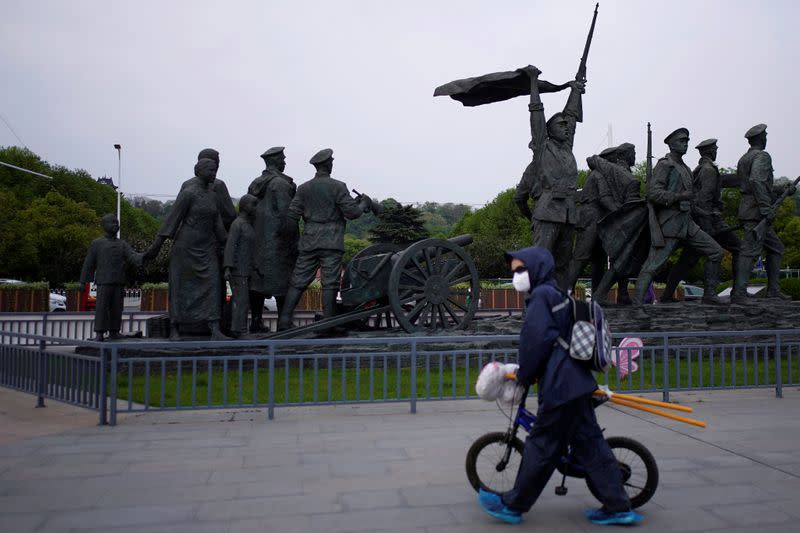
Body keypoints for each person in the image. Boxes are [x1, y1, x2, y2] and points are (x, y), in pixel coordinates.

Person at [477, 246, 641, 526]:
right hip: (578, 384)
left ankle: (513, 505)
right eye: (514, 271)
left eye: (520, 270)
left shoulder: (541, 297)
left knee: (541, 447)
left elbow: (535, 341)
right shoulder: (557, 293)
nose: (516, 276)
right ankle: (618, 507)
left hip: (561, 388)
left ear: (536, 268)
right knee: (592, 447)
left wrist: (524, 375)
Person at [276, 148, 375, 330]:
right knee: (330, 282)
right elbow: (352, 213)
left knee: (298, 281)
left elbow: (292, 216)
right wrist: (363, 203)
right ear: (328, 164)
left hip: (309, 241)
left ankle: (283, 321)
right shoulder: (338, 186)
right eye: (331, 162)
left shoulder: (304, 188)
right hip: (331, 242)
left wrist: (297, 239)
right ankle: (329, 321)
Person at [632, 128, 723, 307]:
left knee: (715, 251)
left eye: (687, 141)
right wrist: (678, 196)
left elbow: (691, 200)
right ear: (671, 144)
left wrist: (707, 214)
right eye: (682, 141)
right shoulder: (665, 165)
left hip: (687, 223)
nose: (686, 144)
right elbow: (653, 193)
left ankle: (710, 294)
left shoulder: (686, 168)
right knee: (653, 265)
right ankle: (637, 304)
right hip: (670, 223)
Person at [513, 66, 585, 290]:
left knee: (563, 265)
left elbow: (571, 115)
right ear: (549, 130)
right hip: (546, 213)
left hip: (567, 215)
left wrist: (576, 90)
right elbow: (536, 111)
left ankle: (560, 303)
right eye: (560, 125)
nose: (566, 128)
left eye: (566, 126)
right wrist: (534, 81)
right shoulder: (542, 146)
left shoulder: (567, 148)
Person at [145, 158, 228, 340]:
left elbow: (219, 226)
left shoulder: (213, 196)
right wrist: (155, 247)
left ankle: (215, 328)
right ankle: (175, 327)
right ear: (199, 171)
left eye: (215, 170)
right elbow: (171, 221)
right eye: (211, 170)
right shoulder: (188, 194)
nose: (214, 173)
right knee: (180, 288)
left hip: (207, 249)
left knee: (214, 283)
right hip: (186, 248)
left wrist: (231, 244)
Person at [661, 138, 742, 302]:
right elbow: (704, 199)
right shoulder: (708, 170)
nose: (716, 150)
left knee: (686, 260)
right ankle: (732, 292)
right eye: (715, 148)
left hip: (700, 220)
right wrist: (708, 225)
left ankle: (667, 295)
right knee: (740, 249)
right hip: (709, 222)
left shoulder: (701, 169)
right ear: (710, 151)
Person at [731, 124, 797, 304]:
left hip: (750, 208)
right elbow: (756, 181)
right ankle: (740, 293)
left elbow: (759, 185)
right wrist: (766, 208)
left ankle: (773, 290)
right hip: (757, 212)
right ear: (761, 138)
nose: (766, 138)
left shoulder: (745, 158)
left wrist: (782, 189)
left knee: (776, 247)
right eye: (765, 136)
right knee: (749, 251)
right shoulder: (762, 156)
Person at [247, 146, 299, 331]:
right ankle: (284, 322)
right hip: (279, 243)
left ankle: (256, 321)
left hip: (257, 242)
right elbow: (288, 216)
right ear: (275, 161)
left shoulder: (255, 183)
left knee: (257, 282)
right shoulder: (280, 184)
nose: (284, 162)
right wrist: (294, 240)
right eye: (283, 159)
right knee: (283, 281)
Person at [79, 214, 143, 341]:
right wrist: (83, 281)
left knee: (117, 308)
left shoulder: (122, 244)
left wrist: (145, 256)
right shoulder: (97, 243)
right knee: (101, 307)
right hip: (104, 281)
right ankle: (99, 333)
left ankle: (114, 331)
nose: (115, 225)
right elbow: (89, 263)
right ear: (104, 225)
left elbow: (133, 257)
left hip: (119, 281)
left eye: (117, 223)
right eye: (112, 223)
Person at [224, 194, 258, 338]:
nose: (256, 208)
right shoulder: (237, 224)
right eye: (254, 205)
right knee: (240, 301)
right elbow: (230, 246)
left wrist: (256, 267)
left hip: (246, 270)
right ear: (245, 207)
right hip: (237, 270)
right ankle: (239, 330)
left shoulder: (248, 225)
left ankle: (239, 329)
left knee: (243, 301)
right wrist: (227, 267)